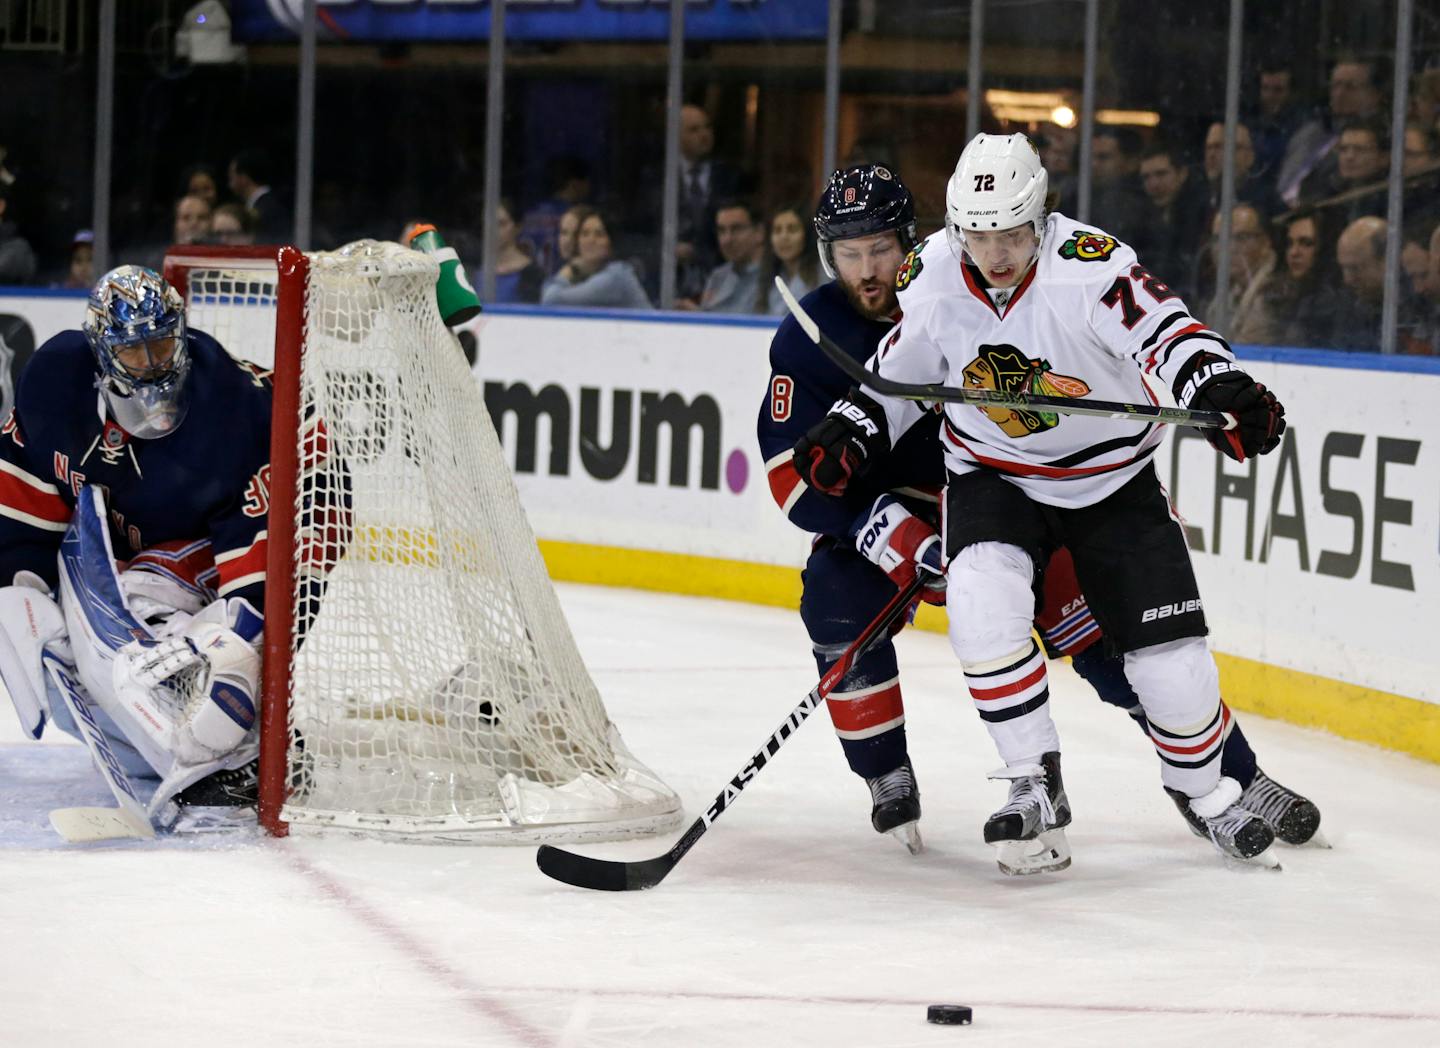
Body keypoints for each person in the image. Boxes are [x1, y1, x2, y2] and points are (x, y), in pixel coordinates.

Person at [769, 163, 1320, 870]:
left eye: (881, 247)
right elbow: (796, 470)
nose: (868, 267)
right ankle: (898, 774)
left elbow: (1162, 330)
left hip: (1061, 490)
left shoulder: (1055, 271)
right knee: (850, 606)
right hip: (947, 502)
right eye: (850, 253)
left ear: (910, 240)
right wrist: (891, 526)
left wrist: (1215, 384)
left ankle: (1225, 775)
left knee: (1127, 652)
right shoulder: (818, 331)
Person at [0, 266, 276, 827]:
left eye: (162, 344)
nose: (153, 364)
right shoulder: (56, 381)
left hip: (231, 540)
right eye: (134, 352)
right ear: (102, 352)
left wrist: (237, 650)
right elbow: (24, 486)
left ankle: (234, 750)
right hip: (121, 550)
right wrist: (18, 579)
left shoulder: (229, 411)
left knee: (149, 601)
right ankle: (167, 747)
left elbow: (260, 574)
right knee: (64, 675)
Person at [540, 208, 651, 310]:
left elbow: (551, 300)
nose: (591, 240)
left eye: (599, 234)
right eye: (585, 234)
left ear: (611, 243)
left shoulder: (616, 275)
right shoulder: (589, 274)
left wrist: (570, 270)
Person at [695, 199, 764, 313]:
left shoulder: (776, 279)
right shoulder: (718, 277)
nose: (727, 239)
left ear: (759, 232)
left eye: (736, 229)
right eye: (721, 231)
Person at [754, 203, 821, 316]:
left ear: (807, 235)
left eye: (792, 229)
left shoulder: (823, 275)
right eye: (777, 230)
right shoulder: (766, 277)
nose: (784, 237)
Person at [488, 198, 545, 305]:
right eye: (490, 223)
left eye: (501, 224)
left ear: (517, 227)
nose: (494, 230)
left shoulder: (532, 274)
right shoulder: (478, 270)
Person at [227, 148, 288, 241]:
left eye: (232, 177)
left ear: (244, 178)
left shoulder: (267, 209)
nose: (230, 184)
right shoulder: (268, 203)